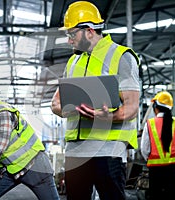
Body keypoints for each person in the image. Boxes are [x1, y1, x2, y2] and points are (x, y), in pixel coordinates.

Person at [51, 1, 140, 199]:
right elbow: (56, 103)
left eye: (72, 34)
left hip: (108, 149)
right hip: (75, 151)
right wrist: (70, 109)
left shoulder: (121, 57)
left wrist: (106, 116)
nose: (69, 40)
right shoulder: (73, 61)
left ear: (89, 31)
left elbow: (132, 107)